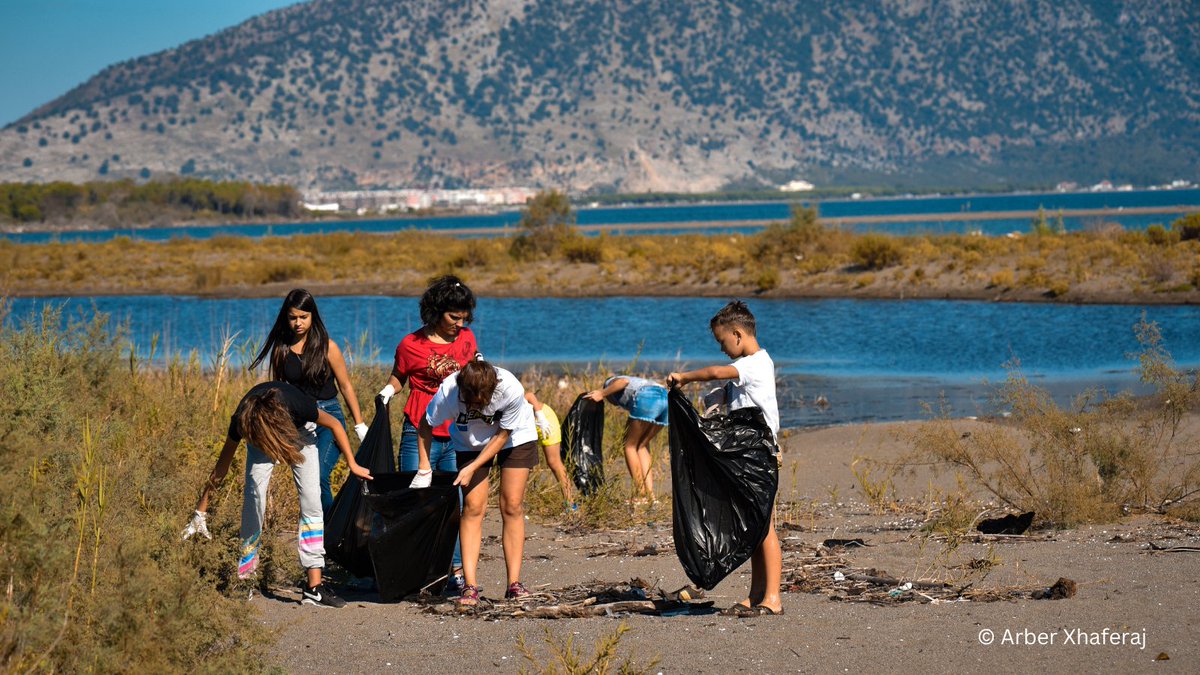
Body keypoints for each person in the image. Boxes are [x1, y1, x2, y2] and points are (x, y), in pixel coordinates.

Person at [183, 381, 373, 608]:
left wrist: (352, 464)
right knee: (255, 500)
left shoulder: (298, 406)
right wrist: (200, 513)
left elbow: (334, 424)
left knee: (312, 501)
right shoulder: (242, 422)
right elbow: (221, 467)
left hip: (298, 431)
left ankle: (314, 587)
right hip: (260, 433)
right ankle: (246, 577)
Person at [667, 300, 782, 616]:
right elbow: (726, 396)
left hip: (761, 455)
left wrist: (686, 377)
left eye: (722, 342)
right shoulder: (745, 372)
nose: (721, 349)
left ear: (738, 334)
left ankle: (773, 597)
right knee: (754, 527)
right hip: (746, 455)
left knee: (765, 527)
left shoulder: (756, 363)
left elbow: (718, 372)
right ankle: (756, 594)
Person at [377, 275, 477, 592]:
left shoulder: (467, 339)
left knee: (455, 505)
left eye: (464, 318)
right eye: (453, 317)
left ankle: (456, 571)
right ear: (436, 311)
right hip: (418, 434)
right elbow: (398, 378)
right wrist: (386, 392)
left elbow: (475, 374)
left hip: (458, 435)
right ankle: (416, 570)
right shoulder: (411, 344)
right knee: (415, 502)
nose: (459, 324)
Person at [413, 357, 539, 607]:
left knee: (511, 505)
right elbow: (424, 425)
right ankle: (470, 587)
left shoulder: (511, 388)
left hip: (515, 438)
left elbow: (503, 436)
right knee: (472, 507)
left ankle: (514, 584)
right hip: (469, 442)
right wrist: (424, 468)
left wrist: (472, 467)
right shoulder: (448, 393)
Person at [249, 289, 368, 518]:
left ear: (313, 316)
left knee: (319, 476)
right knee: (307, 482)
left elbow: (346, 386)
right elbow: (280, 391)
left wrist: (359, 425)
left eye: (303, 317)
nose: (298, 323)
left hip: (330, 417)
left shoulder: (327, 347)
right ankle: (323, 527)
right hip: (301, 420)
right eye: (293, 317)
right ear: (286, 318)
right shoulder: (282, 350)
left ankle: (331, 527)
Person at [583, 374, 669, 499]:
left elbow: (623, 382)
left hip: (647, 397)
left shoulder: (611, 382)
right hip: (666, 399)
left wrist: (602, 393)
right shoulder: (640, 382)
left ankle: (641, 494)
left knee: (629, 445)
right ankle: (651, 495)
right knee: (642, 446)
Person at [524, 389, 575, 510]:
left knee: (553, 462)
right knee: (523, 463)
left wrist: (540, 416)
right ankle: (520, 500)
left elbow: (530, 395)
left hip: (544, 419)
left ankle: (570, 503)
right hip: (526, 426)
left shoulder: (506, 391)